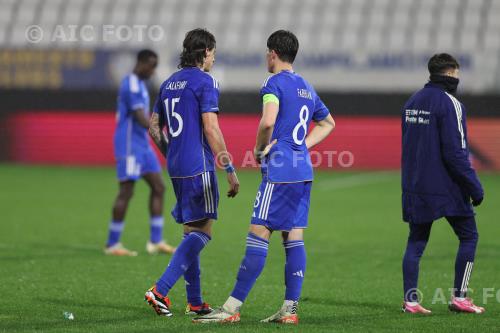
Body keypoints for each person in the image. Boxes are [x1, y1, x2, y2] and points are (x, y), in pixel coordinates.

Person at [193, 30, 335, 324]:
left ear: (272, 53)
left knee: (258, 232)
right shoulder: (306, 86)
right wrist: (300, 146)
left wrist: (259, 150)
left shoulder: (273, 83)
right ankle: (290, 310)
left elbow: (268, 120)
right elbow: (328, 122)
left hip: (280, 173)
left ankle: (231, 309)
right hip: (303, 172)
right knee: (294, 236)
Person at [145, 28, 240, 317]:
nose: (213, 58)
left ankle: (195, 302)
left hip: (175, 166)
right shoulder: (206, 81)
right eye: (213, 53)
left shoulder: (168, 83)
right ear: (205, 52)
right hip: (198, 165)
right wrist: (230, 169)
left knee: (190, 230)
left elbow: (153, 126)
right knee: (204, 231)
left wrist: (172, 154)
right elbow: (211, 128)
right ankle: (159, 290)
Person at [401, 53, 485, 314]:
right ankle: (460, 297)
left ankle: (411, 301)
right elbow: (456, 153)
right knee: (469, 236)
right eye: (456, 76)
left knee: (416, 242)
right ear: (450, 74)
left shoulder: (412, 102)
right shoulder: (452, 104)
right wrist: (474, 186)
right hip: (446, 188)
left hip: (415, 185)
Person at [105, 49, 176, 256]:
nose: (153, 71)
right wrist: (162, 133)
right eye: (152, 66)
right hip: (129, 146)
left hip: (142, 146)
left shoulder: (141, 85)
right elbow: (141, 118)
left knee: (159, 187)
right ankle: (112, 244)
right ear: (142, 63)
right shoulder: (131, 85)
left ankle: (155, 241)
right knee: (126, 191)